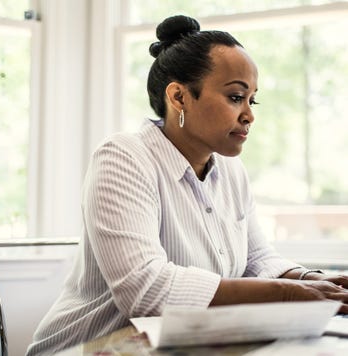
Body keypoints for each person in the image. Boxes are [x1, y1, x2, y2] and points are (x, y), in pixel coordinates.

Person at [26, 15, 348, 356]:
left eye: (252, 100)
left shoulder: (231, 170)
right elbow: (145, 290)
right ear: (179, 97)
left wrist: (308, 279)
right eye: (236, 96)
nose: (249, 115)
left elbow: (256, 257)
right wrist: (286, 294)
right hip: (82, 348)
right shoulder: (123, 157)